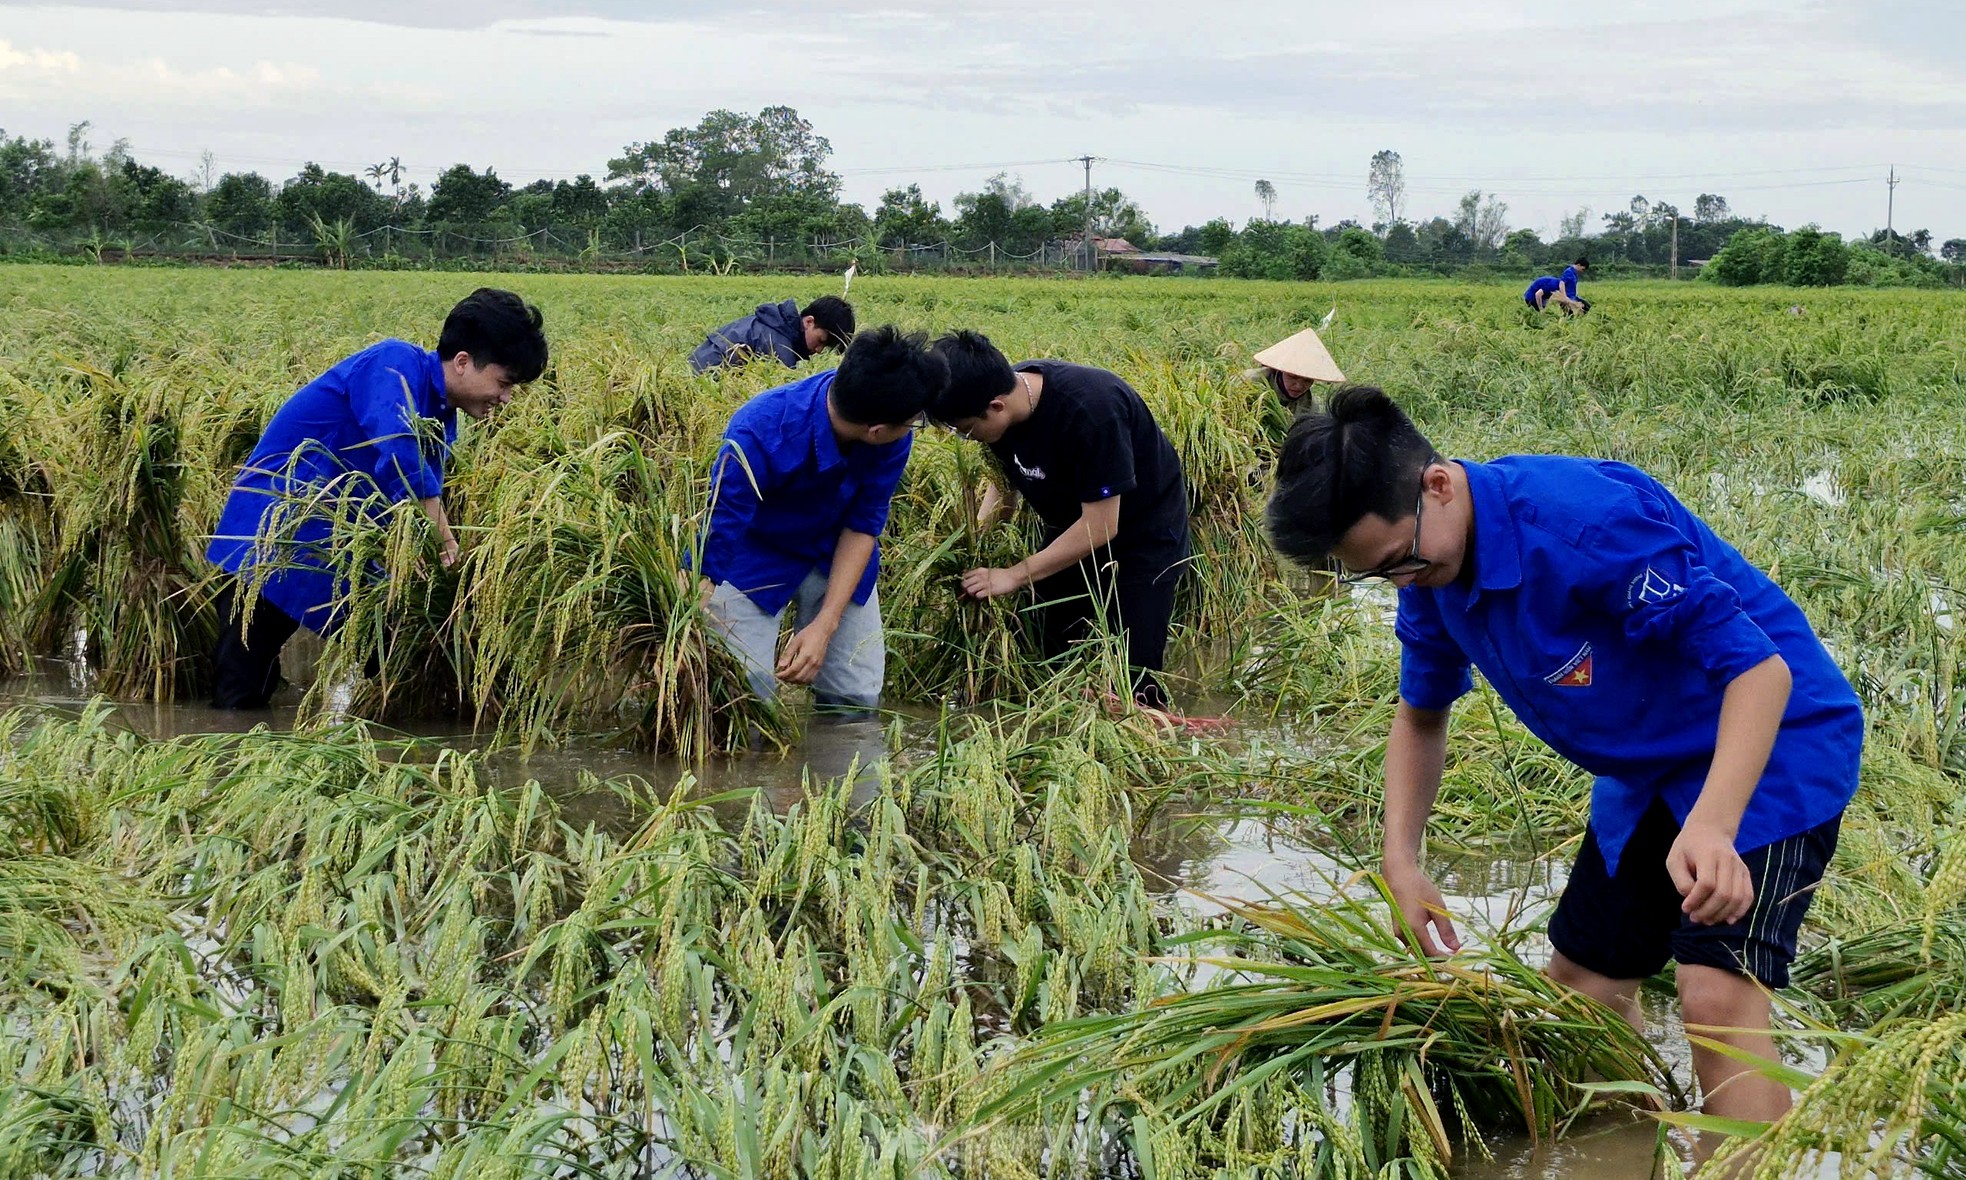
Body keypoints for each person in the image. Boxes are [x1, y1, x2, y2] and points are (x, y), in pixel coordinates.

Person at [1264, 386, 1862, 1132]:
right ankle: (1632, 1147)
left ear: (1438, 486)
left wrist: (1712, 826)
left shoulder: (1587, 525)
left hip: (1772, 744)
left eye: (1398, 561)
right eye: (1379, 574)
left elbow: (1759, 673)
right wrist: (1401, 861)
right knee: (1582, 987)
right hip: (1650, 769)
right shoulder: (1428, 568)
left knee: (1716, 998)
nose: (1399, 583)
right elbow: (1420, 715)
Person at [206, 288, 549, 709]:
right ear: (463, 362)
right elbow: (400, 453)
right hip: (274, 540)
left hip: (337, 555)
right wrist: (443, 542)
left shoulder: (442, 418)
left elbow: (402, 505)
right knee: (240, 693)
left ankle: (472, 713)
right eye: (504, 383)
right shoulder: (394, 364)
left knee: (405, 656)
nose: (505, 398)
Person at [691, 325, 945, 717]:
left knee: (855, 698)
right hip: (755, 554)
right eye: (912, 420)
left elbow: (863, 525)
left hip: (835, 556)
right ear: (874, 430)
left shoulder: (892, 436)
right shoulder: (759, 427)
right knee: (741, 698)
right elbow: (721, 527)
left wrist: (824, 626)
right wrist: (687, 618)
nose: (912, 427)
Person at [928, 330, 1190, 709]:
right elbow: (1004, 484)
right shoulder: (996, 401)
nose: (963, 438)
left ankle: (1146, 734)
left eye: (964, 429)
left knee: (1134, 671)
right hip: (1069, 525)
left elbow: (1101, 525)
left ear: (997, 406)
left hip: (1142, 530)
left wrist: (1014, 574)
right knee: (1047, 646)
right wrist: (975, 541)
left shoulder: (1091, 411)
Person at [689, 295, 855, 374]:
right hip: (700, 381)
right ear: (809, 322)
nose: (818, 350)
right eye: (820, 341)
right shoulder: (780, 349)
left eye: (824, 348)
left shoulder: (774, 323)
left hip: (690, 368)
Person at [1251, 325, 1346, 409]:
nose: (1299, 386)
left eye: (1307, 380)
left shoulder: (1309, 407)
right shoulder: (1250, 383)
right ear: (1280, 370)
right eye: (1293, 377)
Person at [1524, 257, 1590, 314]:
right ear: (1578, 265)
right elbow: (1538, 294)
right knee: (1539, 314)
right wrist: (1541, 309)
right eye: (1583, 269)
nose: (1582, 271)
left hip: (1542, 297)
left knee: (1546, 313)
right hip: (1531, 298)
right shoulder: (1553, 285)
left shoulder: (1572, 276)